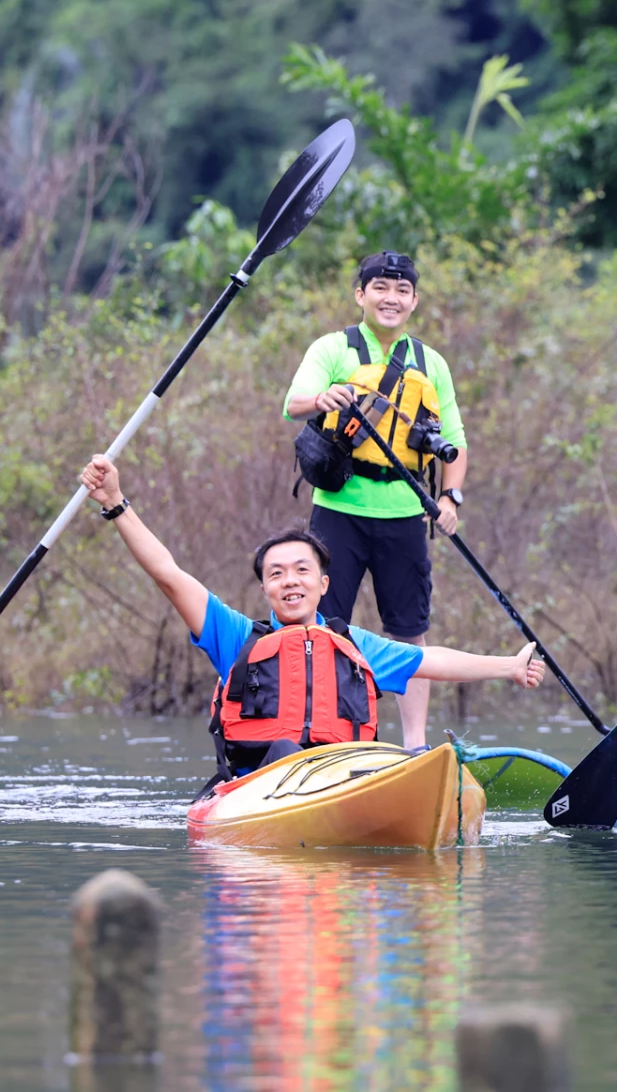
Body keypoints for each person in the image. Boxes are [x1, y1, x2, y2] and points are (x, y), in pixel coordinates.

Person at [77, 454, 539, 788]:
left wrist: (508, 667)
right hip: (263, 783)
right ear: (265, 590)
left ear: (323, 583)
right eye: (276, 574)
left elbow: (431, 660)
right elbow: (169, 575)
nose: (289, 581)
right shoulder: (236, 636)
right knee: (283, 751)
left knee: (381, 761)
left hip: (342, 777)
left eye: (302, 571)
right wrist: (117, 504)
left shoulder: (354, 645)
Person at [283, 250, 468, 751]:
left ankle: (414, 745)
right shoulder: (333, 348)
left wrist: (449, 497)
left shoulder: (431, 362)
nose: (391, 298)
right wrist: (327, 397)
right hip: (338, 509)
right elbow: (292, 404)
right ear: (360, 294)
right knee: (324, 628)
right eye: (380, 288)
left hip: (406, 511)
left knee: (409, 631)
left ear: (414, 300)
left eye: (402, 290)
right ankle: (322, 740)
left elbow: (454, 440)